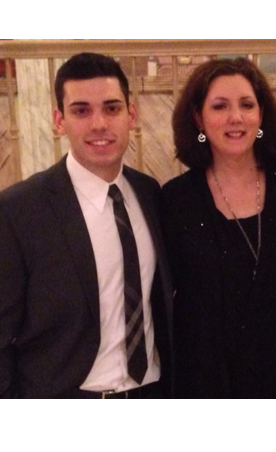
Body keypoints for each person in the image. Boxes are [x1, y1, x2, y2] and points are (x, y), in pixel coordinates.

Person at [0, 53, 173, 398]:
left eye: (111, 108)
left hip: (151, 394)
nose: (99, 124)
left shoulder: (150, 193)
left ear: (131, 115)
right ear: (59, 120)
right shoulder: (19, 210)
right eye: (81, 111)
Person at [162, 57, 276, 398]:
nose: (235, 117)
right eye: (220, 106)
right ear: (198, 119)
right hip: (209, 385)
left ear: (261, 115)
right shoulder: (177, 200)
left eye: (246, 105)